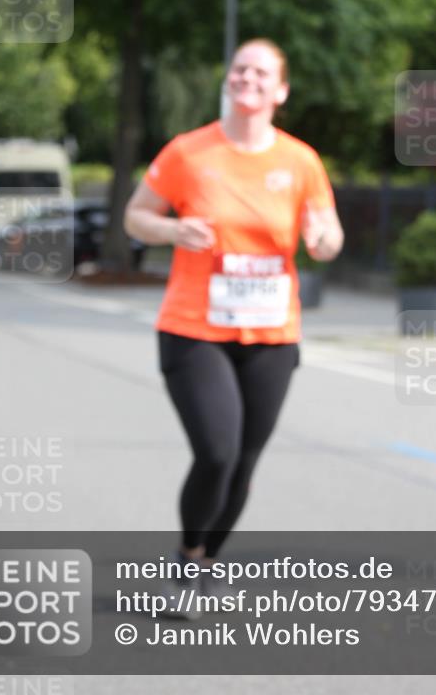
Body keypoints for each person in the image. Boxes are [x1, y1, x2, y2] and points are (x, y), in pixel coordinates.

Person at [124, 38, 343, 612]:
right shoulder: (188, 152)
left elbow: (327, 231)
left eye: (262, 72)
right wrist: (173, 231)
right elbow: (137, 216)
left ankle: (207, 564)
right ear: (228, 80)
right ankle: (187, 559)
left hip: (272, 334)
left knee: (245, 463)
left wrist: (323, 241)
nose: (248, 78)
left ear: (281, 90)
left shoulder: (300, 160)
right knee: (217, 452)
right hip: (195, 328)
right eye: (240, 69)